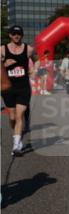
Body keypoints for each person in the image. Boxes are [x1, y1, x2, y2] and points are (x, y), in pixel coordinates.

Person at [2, 25, 34, 156]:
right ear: (10, 35)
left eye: (19, 34)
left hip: (23, 87)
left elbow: (36, 61)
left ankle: (16, 145)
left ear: (22, 35)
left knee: (20, 115)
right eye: (14, 34)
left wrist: (33, 70)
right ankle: (16, 134)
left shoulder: (29, 49)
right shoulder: (2, 50)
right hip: (8, 87)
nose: (16, 36)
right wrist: (4, 64)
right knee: (12, 116)